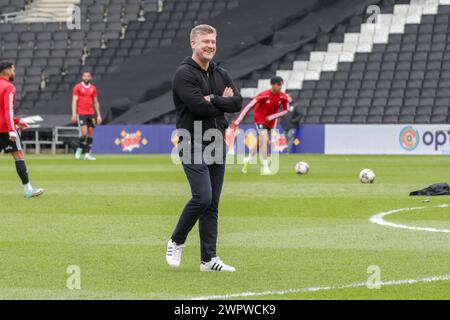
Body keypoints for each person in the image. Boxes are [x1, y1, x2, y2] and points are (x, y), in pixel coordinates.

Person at [166, 24, 242, 272]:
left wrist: (215, 100)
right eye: (205, 41)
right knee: (203, 197)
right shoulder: (184, 74)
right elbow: (199, 107)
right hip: (191, 141)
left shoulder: (221, 73)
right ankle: (176, 240)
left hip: (217, 142)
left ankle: (208, 259)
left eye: (213, 41)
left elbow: (237, 102)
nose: (210, 46)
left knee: (213, 205)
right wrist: (222, 101)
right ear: (193, 44)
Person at [0, 61, 44, 198]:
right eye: (13, 70)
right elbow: (7, 109)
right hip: (5, 129)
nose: (15, 72)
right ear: (7, 71)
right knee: (18, 155)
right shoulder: (9, 87)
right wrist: (13, 128)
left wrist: (18, 121)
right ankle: (27, 189)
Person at [232, 76, 290, 174]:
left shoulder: (283, 97)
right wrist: (238, 120)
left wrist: (273, 116)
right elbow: (249, 106)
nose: (280, 87)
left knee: (260, 142)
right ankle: (266, 166)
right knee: (265, 139)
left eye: (281, 85)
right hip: (260, 120)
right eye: (279, 85)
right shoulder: (263, 95)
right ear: (272, 85)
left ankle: (249, 158)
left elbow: (286, 110)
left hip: (270, 122)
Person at [71, 71, 102, 161]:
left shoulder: (93, 88)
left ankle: (87, 154)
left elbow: (96, 102)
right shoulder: (78, 87)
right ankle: (80, 149)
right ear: (82, 77)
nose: (86, 77)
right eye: (84, 76)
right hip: (81, 113)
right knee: (84, 133)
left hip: (91, 113)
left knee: (91, 134)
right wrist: (74, 114)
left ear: (90, 78)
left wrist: (99, 115)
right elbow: (74, 101)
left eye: (88, 76)